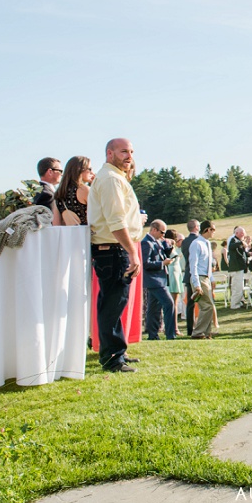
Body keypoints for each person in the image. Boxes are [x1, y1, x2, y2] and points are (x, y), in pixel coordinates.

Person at [86, 138, 143, 373]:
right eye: (123, 152)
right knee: (112, 304)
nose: (129, 156)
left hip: (113, 249)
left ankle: (117, 352)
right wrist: (132, 252)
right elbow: (116, 221)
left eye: (131, 151)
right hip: (113, 249)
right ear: (110, 153)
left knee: (115, 303)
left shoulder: (114, 177)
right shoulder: (110, 179)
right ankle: (111, 359)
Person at [141, 219, 177, 340]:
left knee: (153, 309)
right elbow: (146, 263)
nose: (163, 235)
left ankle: (153, 335)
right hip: (154, 280)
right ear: (154, 230)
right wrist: (163, 263)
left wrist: (169, 246)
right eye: (162, 232)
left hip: (158, 279)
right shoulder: (146, 243)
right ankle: (170, 334)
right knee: (169, 304)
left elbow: (162, 254)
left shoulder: (157, 241)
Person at [188, 220, 217, 339]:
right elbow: (193, 265)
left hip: (206, 277)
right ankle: (198, 332)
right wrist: (196, 283)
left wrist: (212, 278)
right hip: (199, 277)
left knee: (208, 305)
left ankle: (206, 332)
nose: (214, 232)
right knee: (207, 306)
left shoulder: (207, 243)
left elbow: (208, 264)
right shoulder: (196, 244)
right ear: (207, 230)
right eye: (213, 230)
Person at [53, 156, 93, 226]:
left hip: (70, 235)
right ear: (80, 170)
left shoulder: (59, 194)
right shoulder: (84, 190)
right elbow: (98, 215)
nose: (91, 172)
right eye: (89, 169)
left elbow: (56, 224)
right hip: (88, 235)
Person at [180, 220, 199, 335]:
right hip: (197, 273)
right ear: (196, 227)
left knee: (190, 303)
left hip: (188, 273)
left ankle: (189, 329)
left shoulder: (185, 241)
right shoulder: (198, 240)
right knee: (202, 302)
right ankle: (201, 328)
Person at [164, 228, 185, 328]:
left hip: (176, 273)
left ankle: (171, 326)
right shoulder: (170, 247)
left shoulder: (169, 247)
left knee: (173, 303)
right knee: (174, 303)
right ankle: (174, 327)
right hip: (173, 274)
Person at [227, 226, 252, 309]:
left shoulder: (239, 241)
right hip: (236, 268)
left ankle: (238, 302)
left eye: (243, 232)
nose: (243, 234)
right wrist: (241, 243)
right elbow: (231, 246)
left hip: (240, 267)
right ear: (236, 233)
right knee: (237, 287)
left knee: (239, 287)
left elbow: (242, 254)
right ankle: (234, 304)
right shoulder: (234, 240)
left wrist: (248, 254)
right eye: (241, 233)